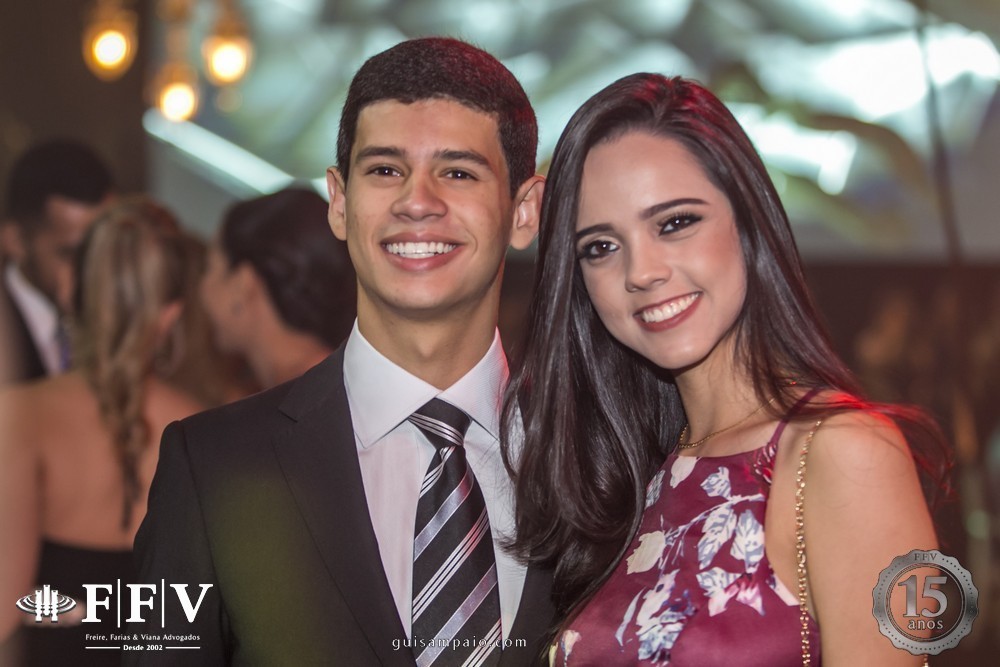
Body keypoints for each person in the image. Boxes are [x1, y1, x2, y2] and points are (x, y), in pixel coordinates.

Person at [128, 37, 553, 666]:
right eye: (385, 170)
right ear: (340, 202)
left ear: (523, 211)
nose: (417, 201)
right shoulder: (212, 465)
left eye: (458, 172)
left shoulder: (601, 461)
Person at [503, 74, 945, 665]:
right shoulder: (633, 480)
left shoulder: (841, 453)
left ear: (747, 219)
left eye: (675, 223)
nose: (642, 271)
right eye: (601, 247)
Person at [0, 198, 203, 664]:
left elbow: (7, 609)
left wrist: (76, 611)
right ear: (171, 313)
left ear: (71, 287)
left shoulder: (21, 418)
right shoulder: (207, 430)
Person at [199, 186, 356, 390]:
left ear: (243, 283)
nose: (203, 287)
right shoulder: (329, 380)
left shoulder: (306, 394)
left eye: (209, 268)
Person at [0, 139, 114, 383]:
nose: (92, 268)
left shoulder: (113, 318)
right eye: (71, 254)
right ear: (15, 240)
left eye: (103, 249)